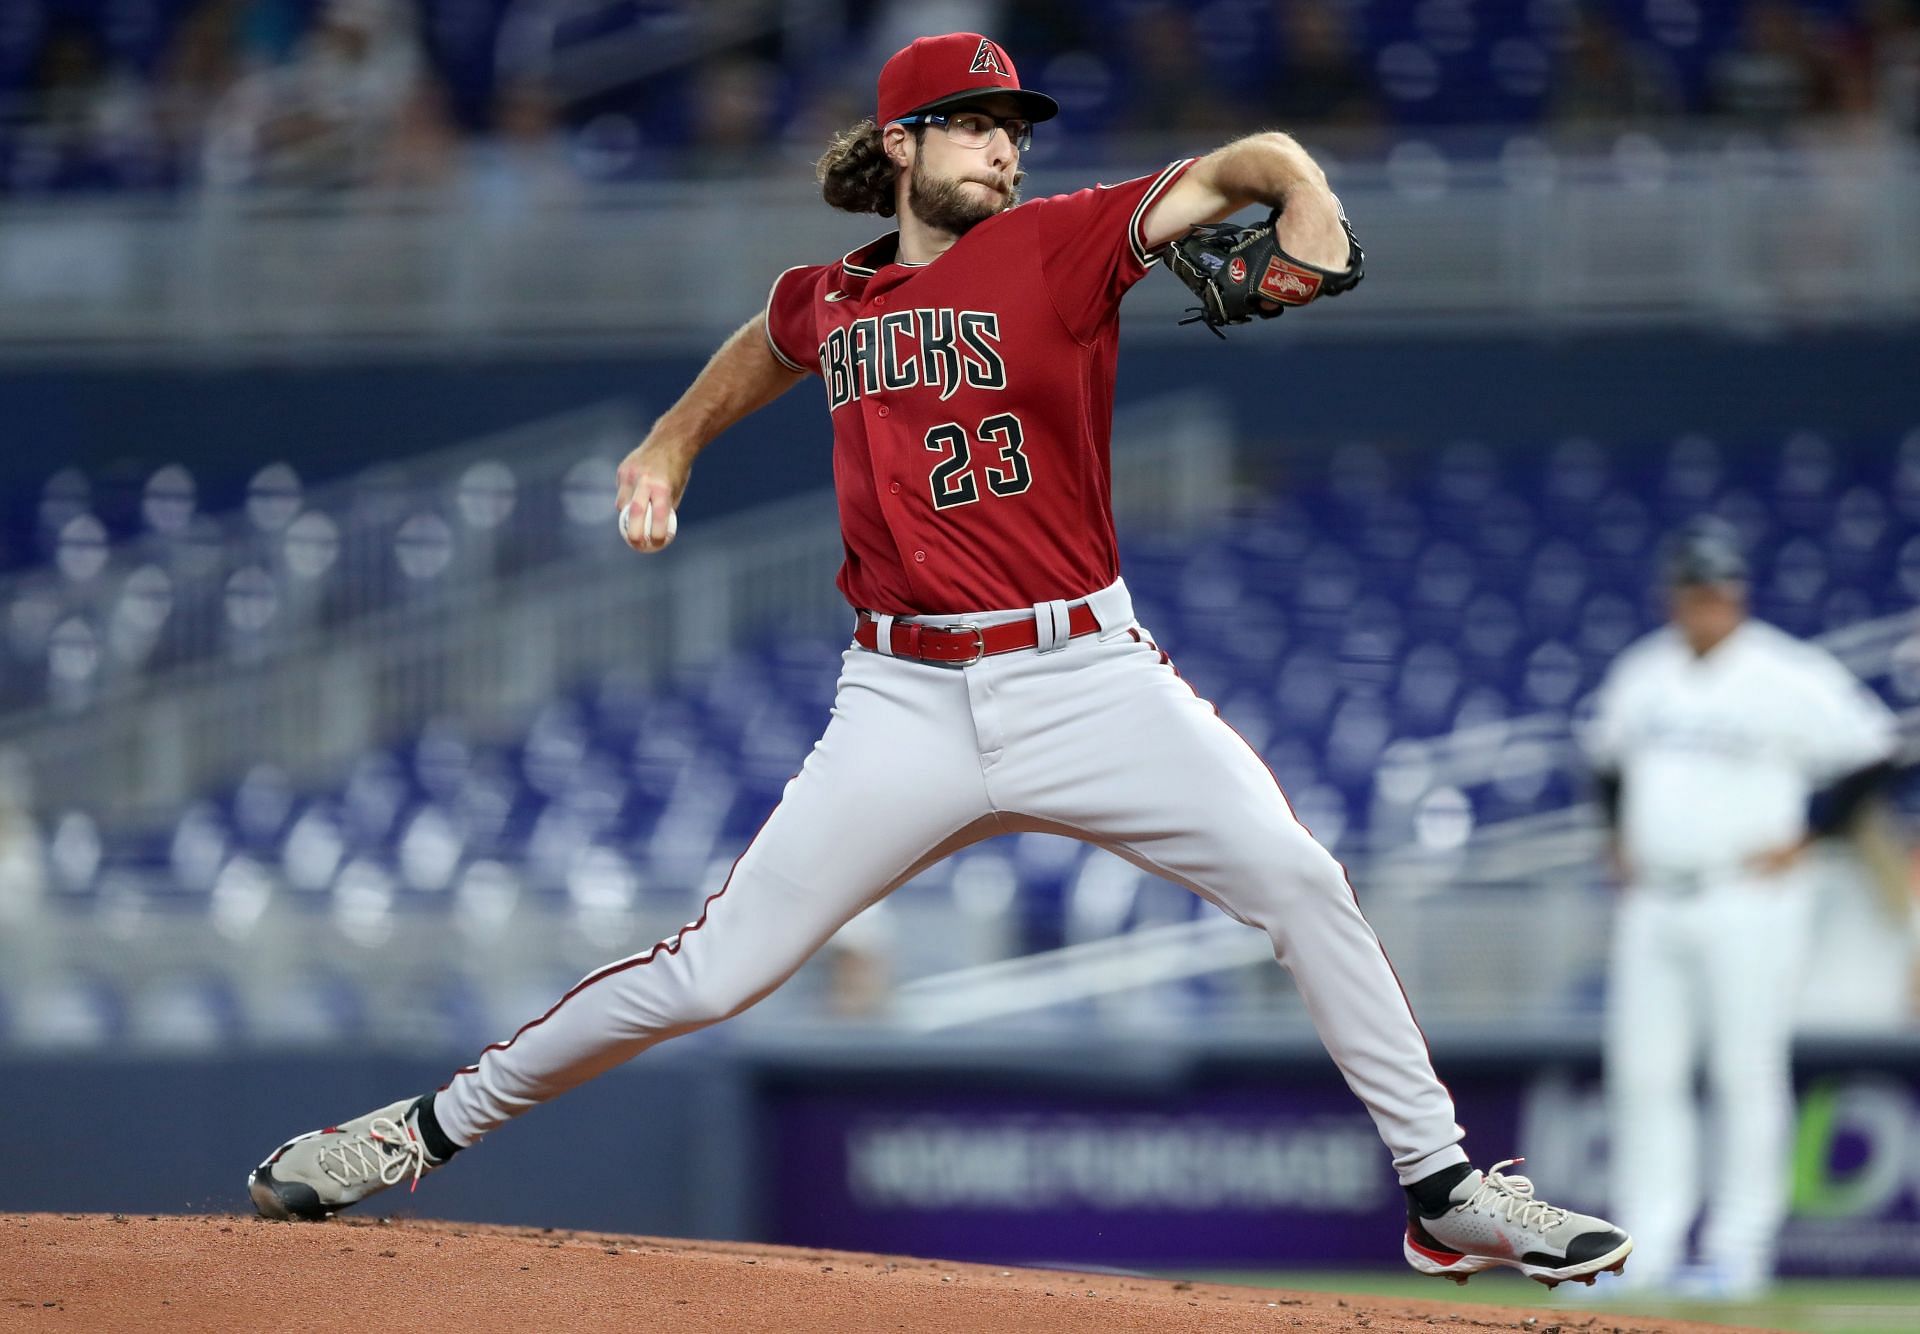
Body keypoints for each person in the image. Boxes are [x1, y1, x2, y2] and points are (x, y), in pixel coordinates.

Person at [248, 31, 1633, 1287]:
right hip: (900, 698)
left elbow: (1248, 167)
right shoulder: (828, 297)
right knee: (714, 973)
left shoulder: (1066, 241)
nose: (1002, 144)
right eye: (971, 122)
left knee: (1300, 878)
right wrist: (671, 442)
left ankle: (1446, 1189)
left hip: (1087, 674)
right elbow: (767, 341)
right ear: (900, 142)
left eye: (1011, 124)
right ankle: (413, 1132)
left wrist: (1311, 205)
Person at [1584, 516, 1901, 1298]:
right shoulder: (1644, 672)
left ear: (1737, 596)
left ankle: (1738, 1249)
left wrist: (1816, 835)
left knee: (1744, 1070)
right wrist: (1618, 834)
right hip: (1656, 896)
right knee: (1644, 1074)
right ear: (1674, 598)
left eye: (1719, 592)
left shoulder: (1787, 672)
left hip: (1749, 893)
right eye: (1695, 592)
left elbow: (1876, 748)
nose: (1707, 605)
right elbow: (1605, 758)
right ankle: (1644, 1247)